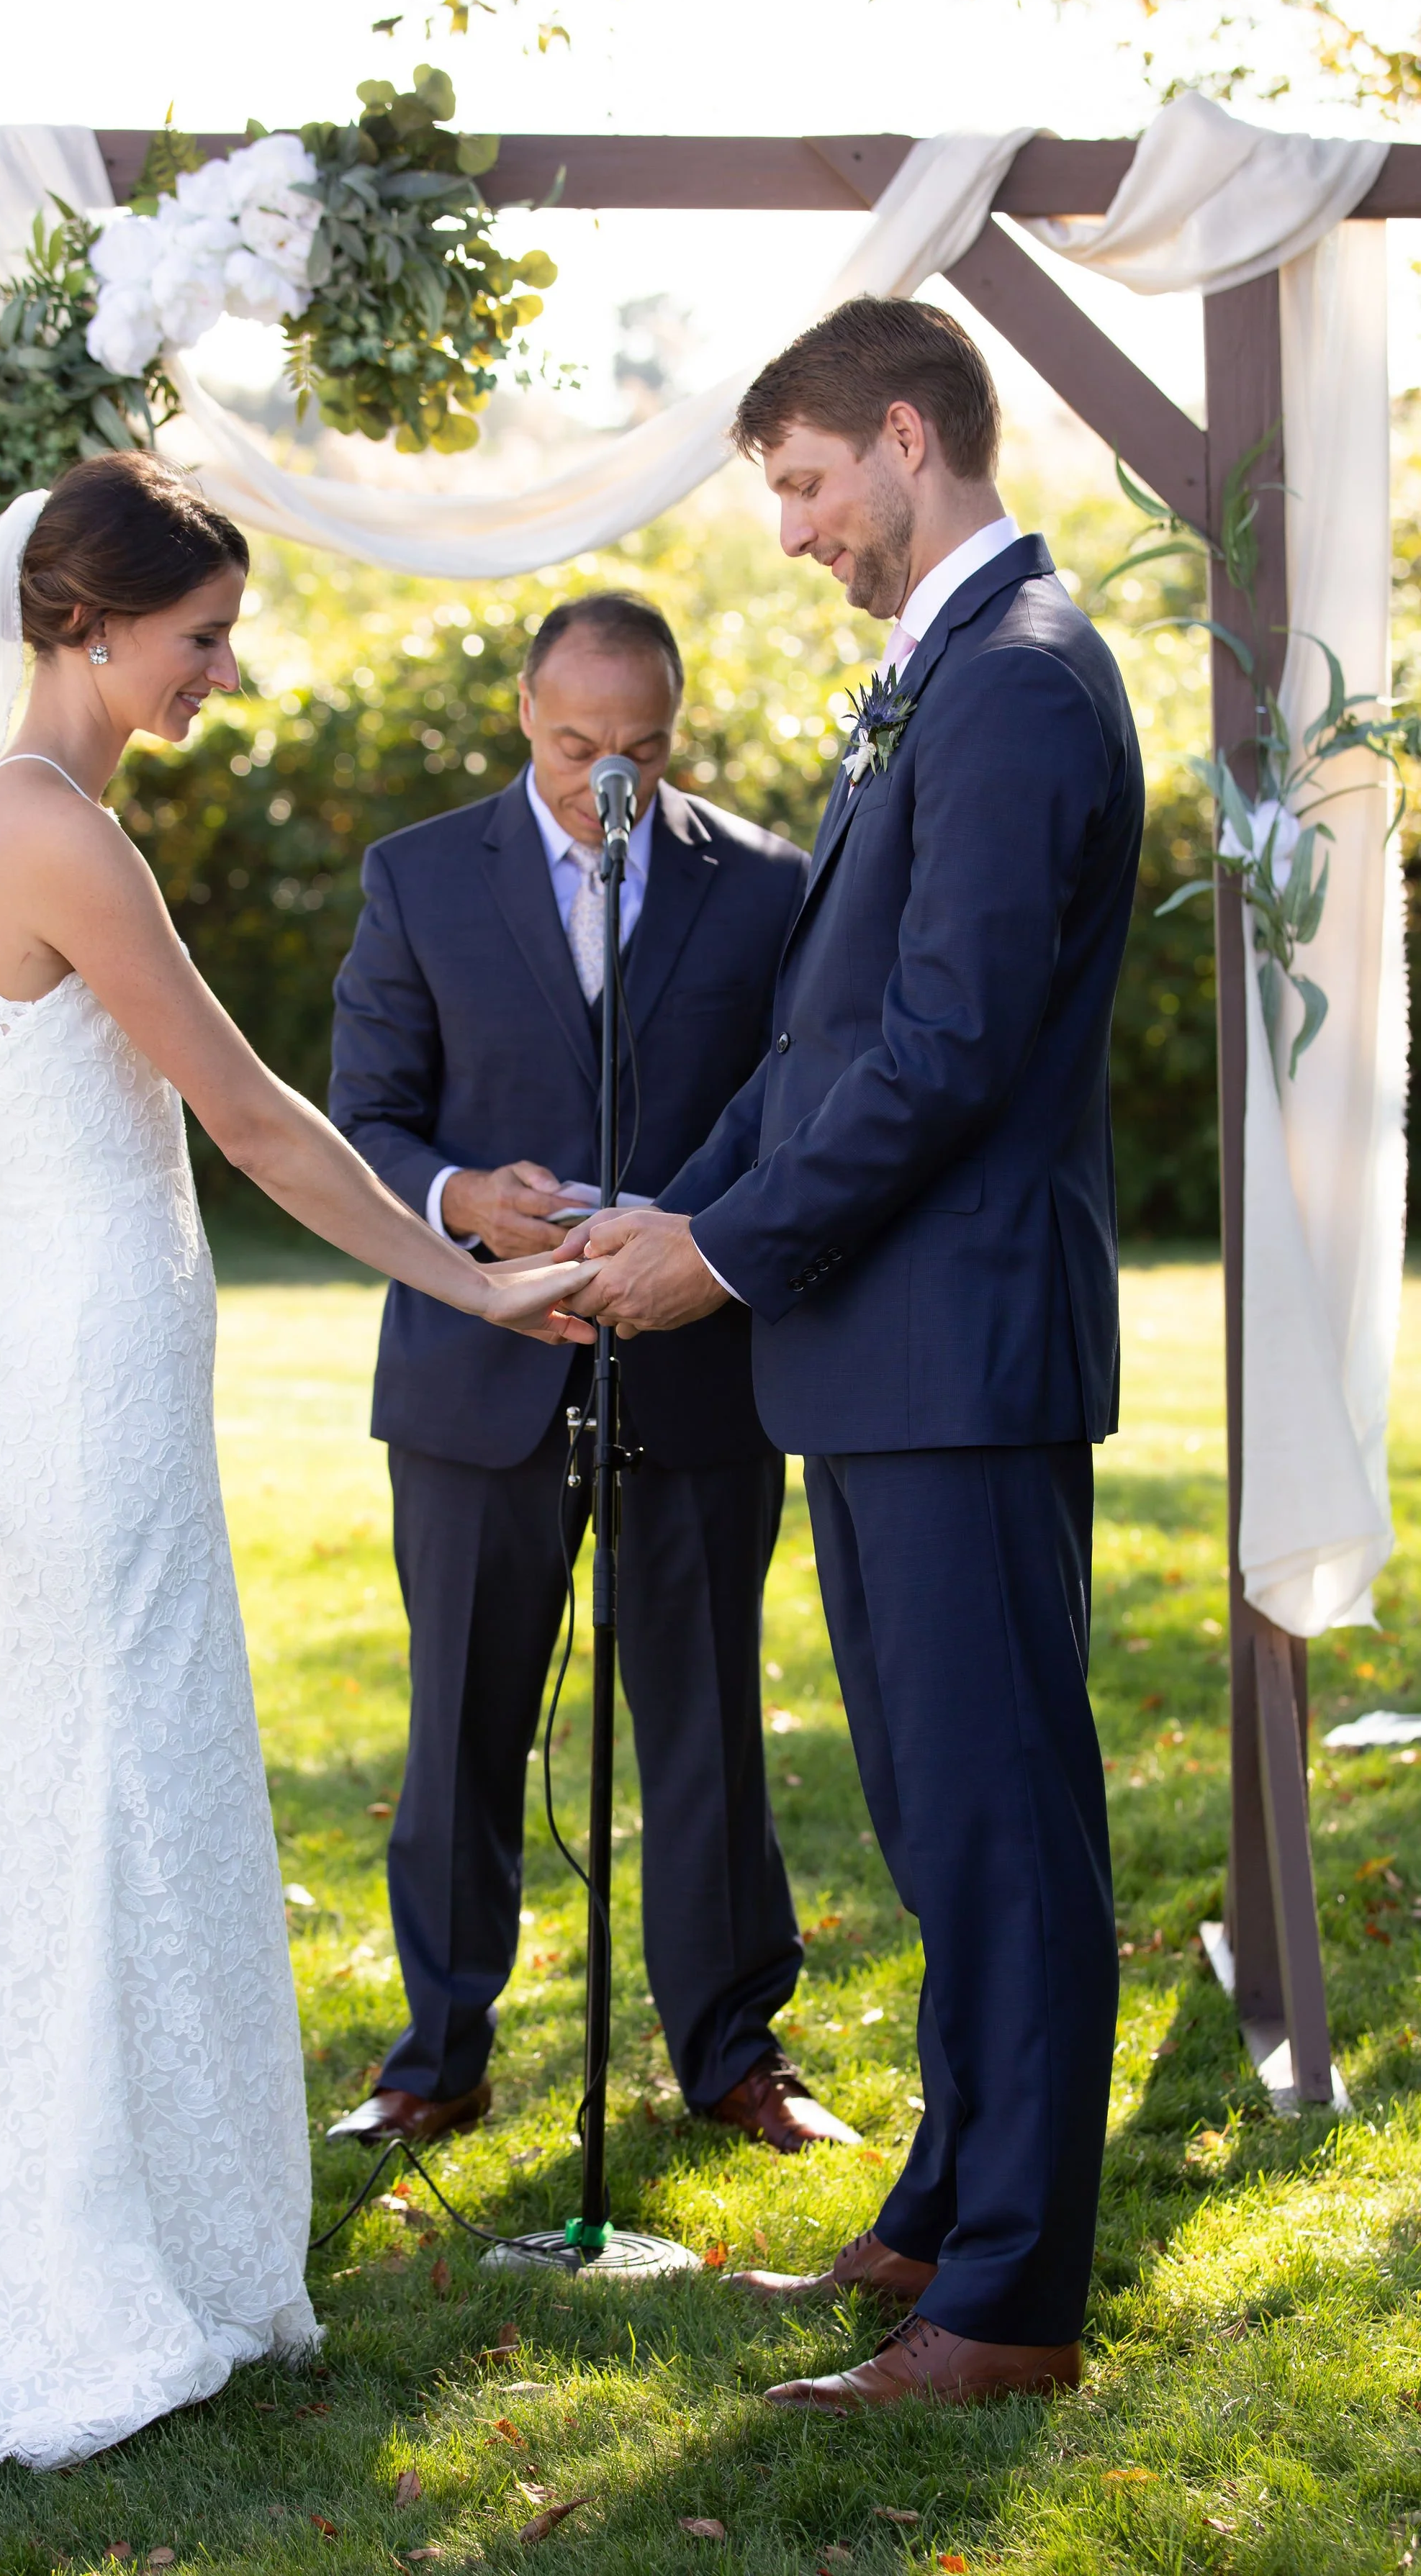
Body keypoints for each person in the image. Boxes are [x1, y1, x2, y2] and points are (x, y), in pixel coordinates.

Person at [0, 453, 585, 2472]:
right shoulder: (49, 831)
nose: (226, 675)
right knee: (110, 1771)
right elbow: (261, 1125)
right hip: (85, 1368)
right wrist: (466, 1279)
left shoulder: (36, 812)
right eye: (203, 638)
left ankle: (105, 2201)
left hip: (87, 1357)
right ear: (90, 623)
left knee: (92, 1777)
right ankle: (72, 2237)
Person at [554, 298, 1141, 2409]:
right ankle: (948, 2215)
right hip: (888, 1358)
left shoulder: (1022, 685)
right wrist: (669, 1207)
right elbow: (819, 1040)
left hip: (960, 1354)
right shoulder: (942, 682)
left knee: (1001, 1823)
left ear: (908, 436)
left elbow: (952, 1053)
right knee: (933, 1807)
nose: (793, 529)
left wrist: (722, 1259)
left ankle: (1013, 2310)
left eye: (804, 483)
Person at [325, 593, 856, 2154]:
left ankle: (736, 2054)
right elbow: (364, 1119)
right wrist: (457, 1205)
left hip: (695, 1370)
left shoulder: (765, 883)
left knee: (704, 1723)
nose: (603, 778)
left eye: (637, 749)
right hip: (470, 1373)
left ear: (673, 731)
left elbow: (806, 1106)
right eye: (573, 747)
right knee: (462, 1726)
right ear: (522, 714)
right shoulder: (418, 876)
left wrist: (696, 1240)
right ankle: (436, 2056)